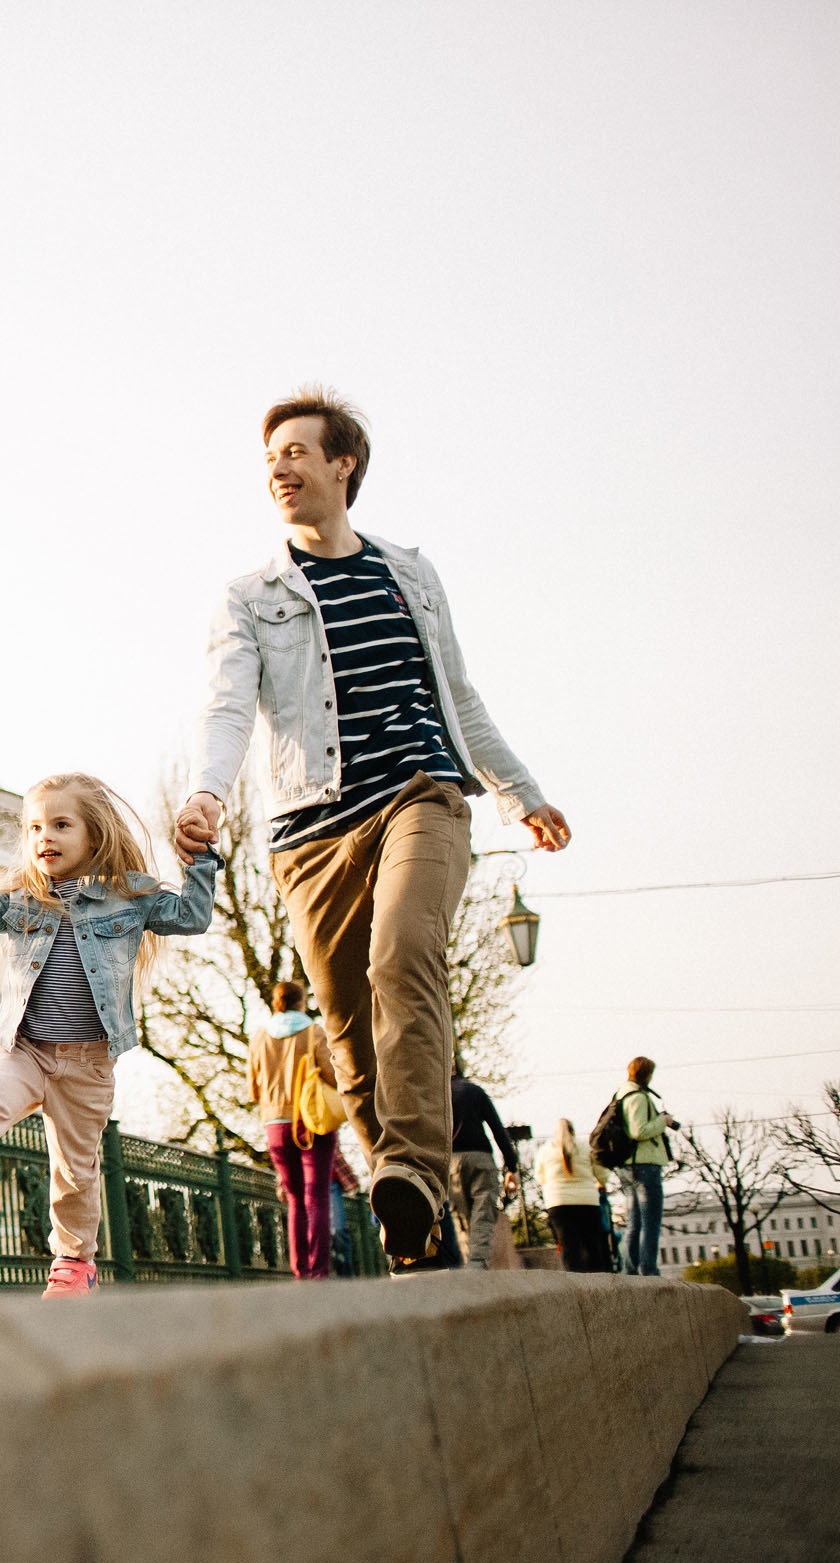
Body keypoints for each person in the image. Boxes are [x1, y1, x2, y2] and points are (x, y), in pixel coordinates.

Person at [173, 387, 571, 1273]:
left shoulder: (410, 574)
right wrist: (207, 793)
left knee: (402, 954)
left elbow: (457, 693)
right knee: (350, 1031)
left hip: (420, 794)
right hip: (310, 831)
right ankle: (412, 1233)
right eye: (270, 458)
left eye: (296, 453)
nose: (280, 470)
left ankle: (412, 1171)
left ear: (342, 464)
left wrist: (520, 791)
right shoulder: (249, 596)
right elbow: (228, 702)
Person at [0, 774, 219, 1298]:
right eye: (35, 827)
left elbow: (193, 916)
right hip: (23, 1048)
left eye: (61, 825)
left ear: (94, 835)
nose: (45, 836)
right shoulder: (22, 898)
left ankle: (73, 1264)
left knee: (75, 1170)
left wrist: (199, 859)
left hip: (87, 1063)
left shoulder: (130, 895)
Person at [248, 980, 340, 1278]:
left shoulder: (260, 1037)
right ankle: (318, 1272)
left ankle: (300, 1271)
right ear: (302, 1002)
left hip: (275, 1125)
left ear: (276, 1003)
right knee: (318, 1196)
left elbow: (253, 1089)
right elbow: (332, 1076)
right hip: (311, 1122)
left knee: (295, 1199)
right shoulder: (314, 1031)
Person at [449, 1064, 518, 1270]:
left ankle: (469, 1263)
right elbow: (498, 1129)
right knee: (483, 1213)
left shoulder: (435, 1095)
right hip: (481, 1158)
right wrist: (511, 1167)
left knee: (460, 1218)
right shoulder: (475, 1090)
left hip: (451, 1161)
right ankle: (478, 1265)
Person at [616, 1056, 679, 1276]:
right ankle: (648, 1268)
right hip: (644, 1164)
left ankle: (631, 1269)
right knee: (650, 1221)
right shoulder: (637, 1097)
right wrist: (664, 1121)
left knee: (635, 1222)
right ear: (648, 1074)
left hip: (628, 1166)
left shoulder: (622, 1093)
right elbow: (638, 1130)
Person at [538, 1117, 614, 1272]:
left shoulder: (545, 1150)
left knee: (569, 1247)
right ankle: (598, 1285)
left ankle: (575, 1283)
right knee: (592, 1246)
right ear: (573, 1131)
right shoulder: (585, 1148)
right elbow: (602, 1174)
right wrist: (600, 1183)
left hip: (558, 1202)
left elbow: (540, 1177)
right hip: (587, 1201)